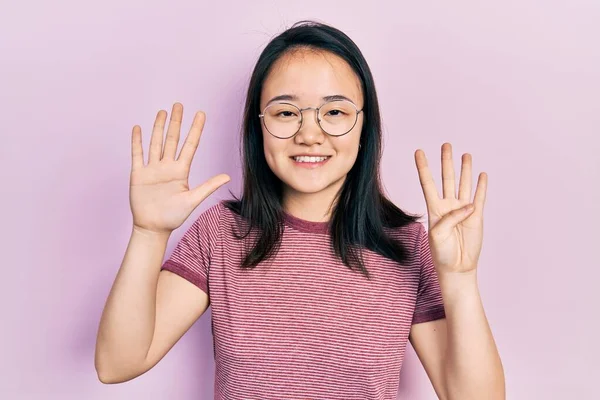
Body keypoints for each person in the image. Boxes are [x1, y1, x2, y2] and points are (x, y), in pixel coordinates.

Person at [94, 20, 505, 399]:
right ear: (260, 126)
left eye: (335, 112)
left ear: (365, 126)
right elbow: (118, 364)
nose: (310, 134)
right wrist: (149, 234)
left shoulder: (407, 246)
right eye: (287, 112)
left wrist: (461, 279)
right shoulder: (219, 234)